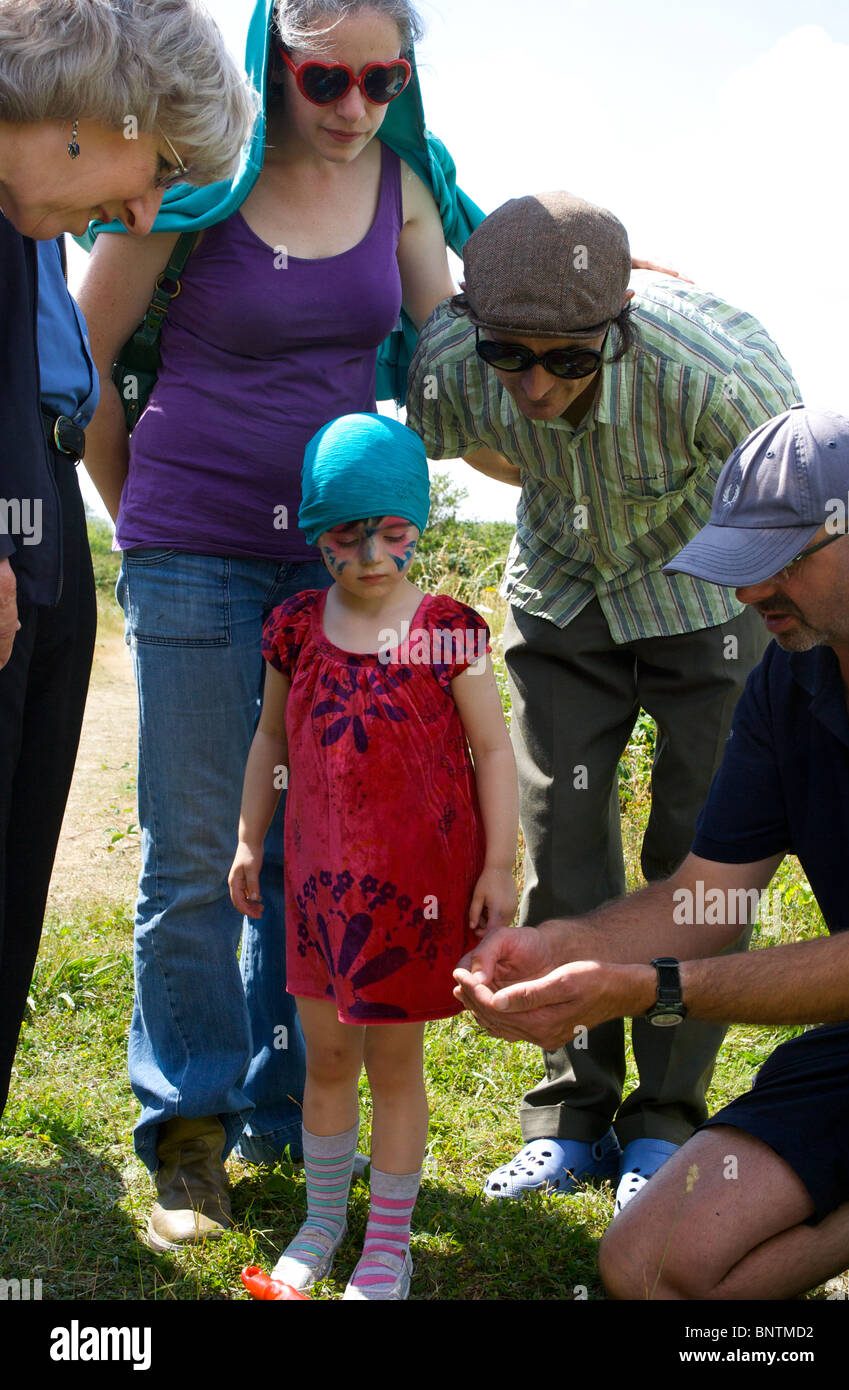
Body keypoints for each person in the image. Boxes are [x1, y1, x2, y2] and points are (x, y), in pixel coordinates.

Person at [78, 0, 473, 1252]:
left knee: (310, 848)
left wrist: (589, 298)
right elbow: (79, 356)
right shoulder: (196, 171)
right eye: (325, 78)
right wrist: (141, 519)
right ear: (273, 63)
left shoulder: (404, 188)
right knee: (197, 850)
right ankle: (186, 1132)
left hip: (332, 574)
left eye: (382, 78)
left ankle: (273, 1113)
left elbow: (452, 358)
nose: (354, 106)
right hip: (192, 552)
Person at [406, 192, 802, 1211]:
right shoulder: (451, 364)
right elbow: (442, 435)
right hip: (564, 597)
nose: (534, 385)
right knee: (564, 846)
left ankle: (665, 1124)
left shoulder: (719, 376)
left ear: (618, 322)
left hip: (702, 600)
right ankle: (570, 1118)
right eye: (511, 357)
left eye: (568, 360)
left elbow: (796, 511)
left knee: (698, 859)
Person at [455, 404, 849, 1300]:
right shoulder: (786, 687)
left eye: (783, 559)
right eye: (739, 569)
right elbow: (705, 901)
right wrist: (562, 948)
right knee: (645, 1272)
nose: (752, 595)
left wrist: (655, 988)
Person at [0, 0, 253, 1126]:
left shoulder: (27, 220)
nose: (143, 209)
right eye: (153, 166)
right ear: (94, 110)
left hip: (42, 496)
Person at [227, 413, 518, 1300]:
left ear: (415, 526)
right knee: (324, 1060)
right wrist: (248, 837)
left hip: (414, 901)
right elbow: (270, 735)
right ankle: (321, 1222)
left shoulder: (446, 631)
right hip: (319, 894)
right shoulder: (293, 629)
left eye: (391, 532)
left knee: (395, 1066)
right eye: (345, 535)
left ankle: (387, 1243)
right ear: (317, 534)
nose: (369, 555)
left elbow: (494, 753)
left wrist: (499, 867)